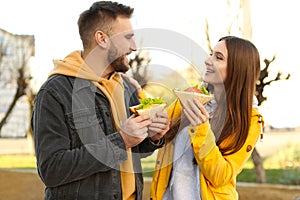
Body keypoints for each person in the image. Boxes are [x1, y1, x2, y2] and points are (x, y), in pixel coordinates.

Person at [31, 1, 169, 200]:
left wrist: (152, 137)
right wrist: (121, 141)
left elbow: (133, 152)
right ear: (102, 39)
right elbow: (52, 170)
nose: (134, 46)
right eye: (127, 37)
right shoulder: (55, 92)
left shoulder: (126, 86)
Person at [150, 36, 264, 200]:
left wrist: (201, 128)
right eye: (211, 54)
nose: (207, 61)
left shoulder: (250, 120)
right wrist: (153, 133)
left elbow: (220, 176)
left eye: (218, 57)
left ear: (237, 69)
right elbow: (158, 137)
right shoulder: (189, 97)